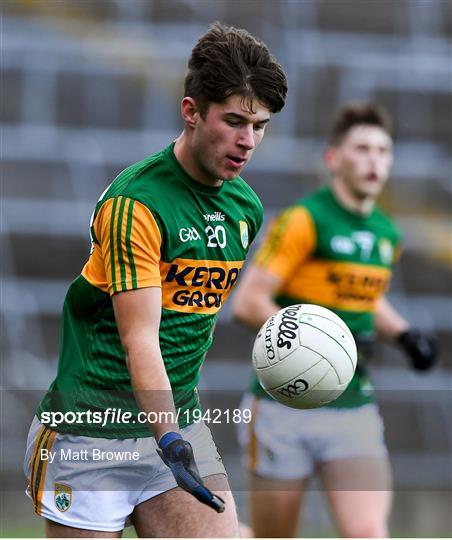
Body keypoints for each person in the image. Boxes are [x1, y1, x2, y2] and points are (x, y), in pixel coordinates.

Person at [23, 22, 287, 538]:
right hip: (92, 430)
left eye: (259, 126)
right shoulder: (136, 204)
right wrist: (170, 440)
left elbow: (192, 323)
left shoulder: (245, 209)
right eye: (234, 121)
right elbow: (140, 335)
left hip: (175, 420)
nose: (247, 141)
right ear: (190, 112)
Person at [233, 102, 437, 538]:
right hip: (283, 408)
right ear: (333, 159)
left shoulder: (387, 233)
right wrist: (320, 346)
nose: (373, 161)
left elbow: (366, 298)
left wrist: (404, 335)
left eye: (383, 151)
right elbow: (249, 304)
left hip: (352, 406)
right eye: (361, 148)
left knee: (368, 533)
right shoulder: (304, 220)